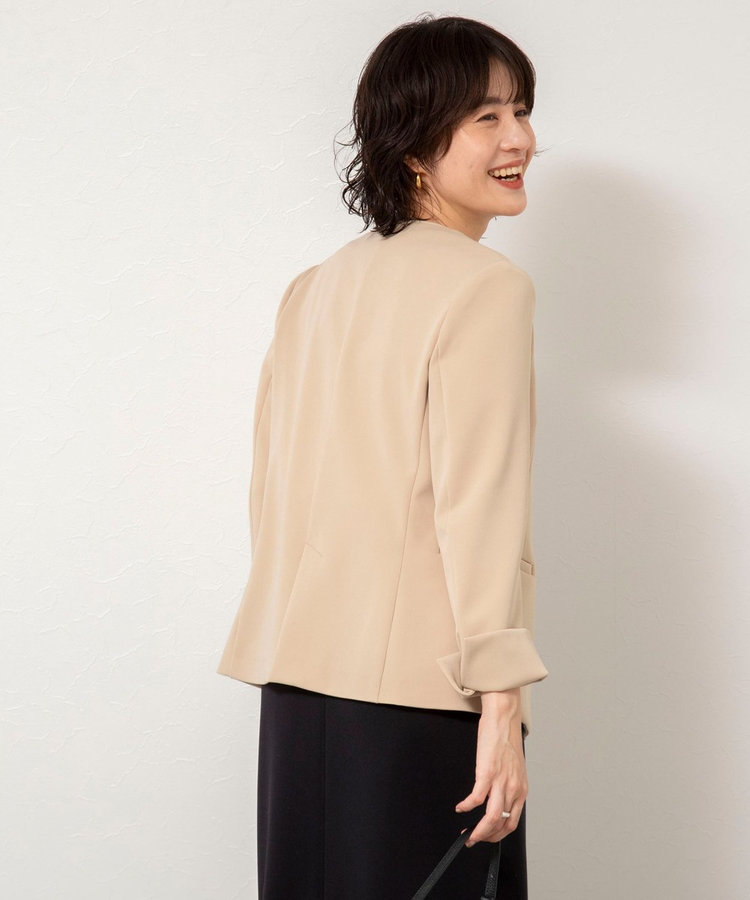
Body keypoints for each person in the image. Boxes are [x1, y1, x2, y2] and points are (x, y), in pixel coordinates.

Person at [217, 13, 550, 899]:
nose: (520, 139)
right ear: (414, 146)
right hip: (422, 704)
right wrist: (503, 705)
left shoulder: (315, 288)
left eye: (521, 111)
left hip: (298, 700)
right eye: (486, 116)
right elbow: (479, 506)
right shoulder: (487, 287)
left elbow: (272, 494)